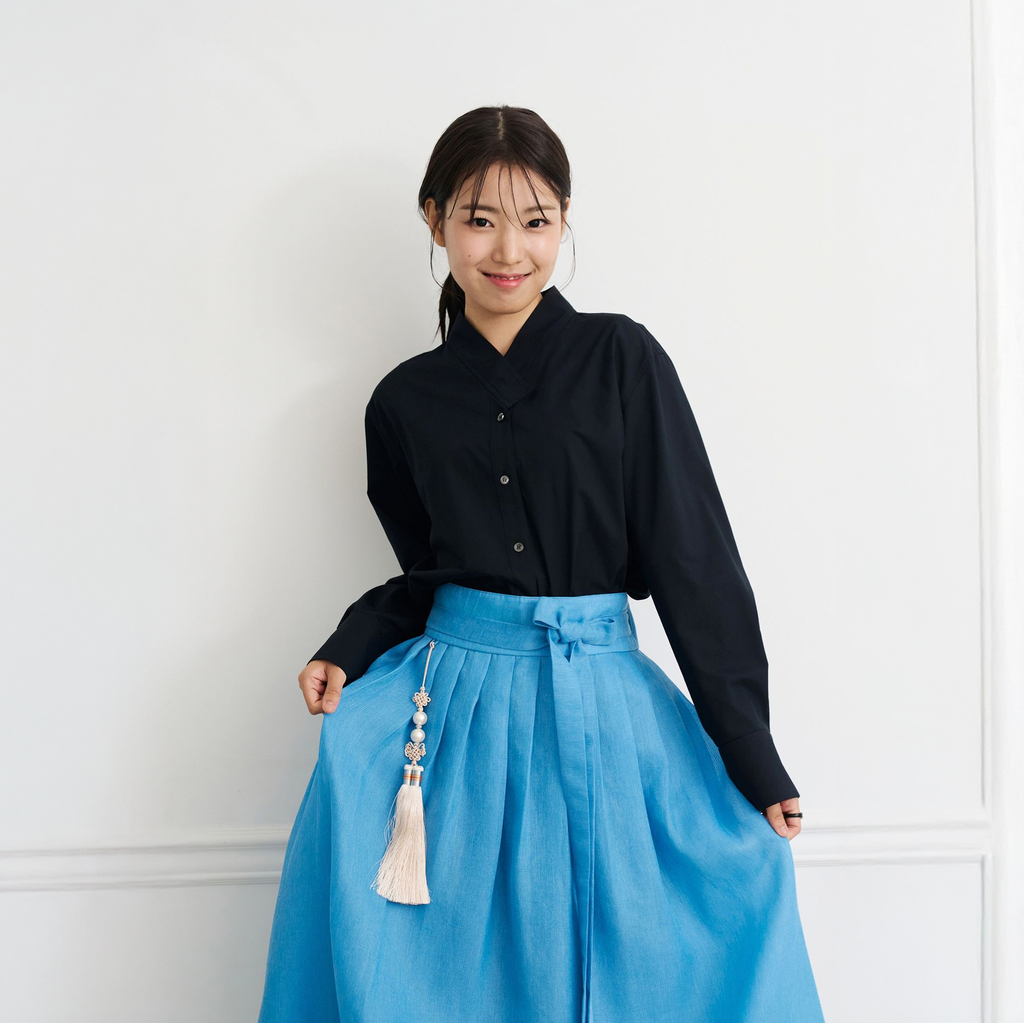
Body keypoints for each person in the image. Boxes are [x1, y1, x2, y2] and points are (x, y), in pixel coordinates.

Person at [257, 105, 826, 1023]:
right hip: (453, 718)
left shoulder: (622, 358)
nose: (508, 250)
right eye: (479, 219)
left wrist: (752, 754)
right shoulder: (401, 402)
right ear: (435, 219)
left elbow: (695, 561)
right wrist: (350, 645)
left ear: (565, 219)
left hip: (604, 705)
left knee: (662, 938)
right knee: (455, 975)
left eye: (536, 220)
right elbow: (429, 575)